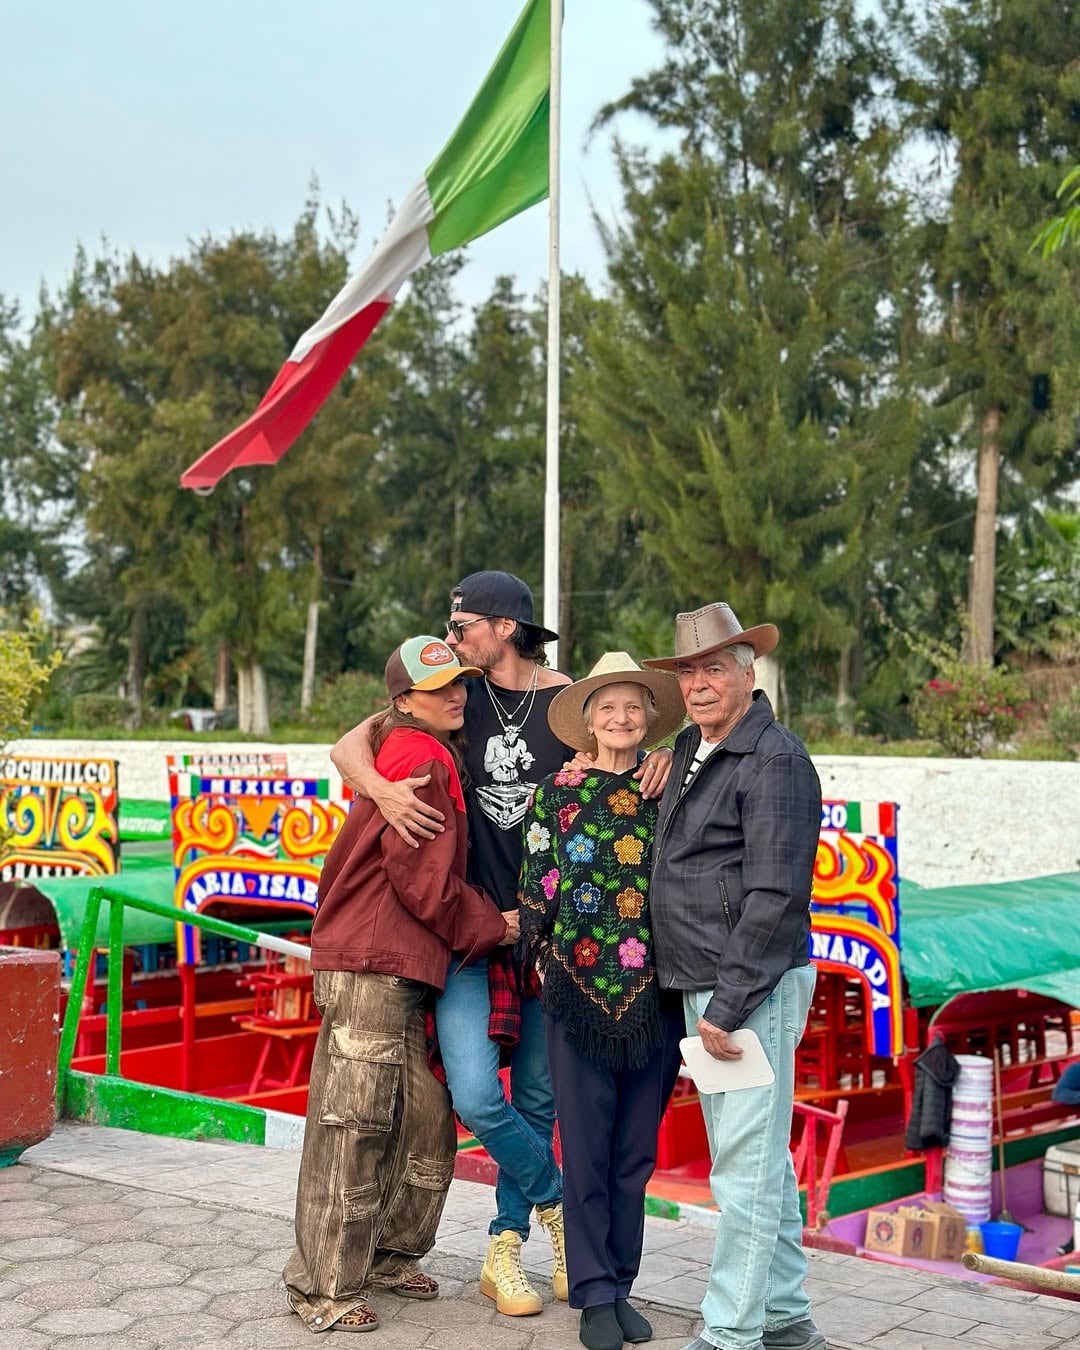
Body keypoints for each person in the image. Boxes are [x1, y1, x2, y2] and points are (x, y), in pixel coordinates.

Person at [333, 572, 672, 1316]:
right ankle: (558, 1206)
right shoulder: (454, 695)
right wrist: (383, 791)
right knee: (481, 1094)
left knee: (541, 1099)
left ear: (506, 626)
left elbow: (632, 735)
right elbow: (352, 739)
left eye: (462, 625)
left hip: (550, 936)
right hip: (472, 929)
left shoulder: (572, 701)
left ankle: (504, 1245)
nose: (451, 639)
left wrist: (668, 760)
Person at [284, 636, 513, 1334]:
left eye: (461, 685)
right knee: (352, 1126)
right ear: (402, 699)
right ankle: (322, 1288)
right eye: (437, 687)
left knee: (423, 1117)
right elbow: (420, 879)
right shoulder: (420, 755)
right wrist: (495, 926)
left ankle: (386, 1254)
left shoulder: (422, 746)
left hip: (405, 961)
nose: (456, 696)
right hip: (373, 960)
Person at [642, 603, 825, 1350]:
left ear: (750, 674)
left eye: (714, 668)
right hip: (712, 983)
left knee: (744, 1167)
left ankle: (729, 1334)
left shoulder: (775, 758)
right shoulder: (693, 746)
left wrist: (728, 1002)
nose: (698, 684)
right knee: (758, 1160)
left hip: (746, 987)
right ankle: (785, 1318)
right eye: (687, 671)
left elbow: (777, 895)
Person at [518, 652, 687, 1350]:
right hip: (578, 991)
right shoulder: (555, 793)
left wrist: (676, 758)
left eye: (633, 707)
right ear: (587, 719)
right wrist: (542, 958)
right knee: (585, 1148)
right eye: (607, 707)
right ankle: (590, 1292)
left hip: (657, 992)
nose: (621, 719)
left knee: (634, 1154)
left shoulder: (669, 788)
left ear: (650, 718)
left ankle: (622, 1280)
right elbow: (537, 882)